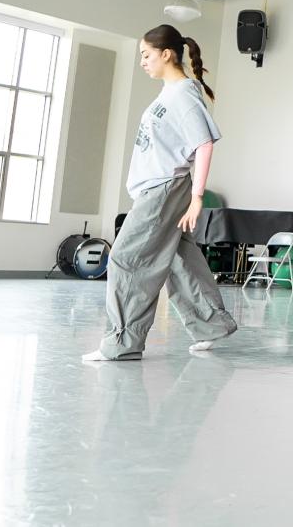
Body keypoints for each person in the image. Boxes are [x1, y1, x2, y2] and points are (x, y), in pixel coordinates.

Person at [83, 25, 236, 362]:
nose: (142, 62)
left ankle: (122, 342)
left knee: (126, 259)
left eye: (146, 54)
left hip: (164, 188)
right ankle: (212, 325)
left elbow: (204, 143)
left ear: (166, 54)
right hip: (157, 188)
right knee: (179, 258)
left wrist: (197, 198)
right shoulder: (172, 92)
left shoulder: (182, 94)